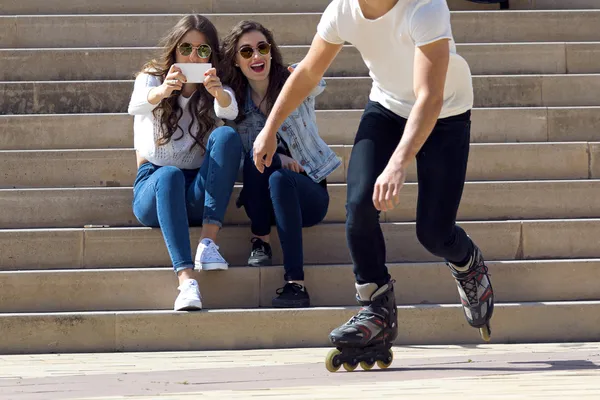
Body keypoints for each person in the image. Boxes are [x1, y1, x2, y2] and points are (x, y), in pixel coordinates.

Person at [251, 0, 495, 368]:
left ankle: (468, 263)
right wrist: (270, 128)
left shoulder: (425, 8)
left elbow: (429, 96)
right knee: (359, 204)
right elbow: (307, 74)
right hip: (387, 107)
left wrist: (398, 163)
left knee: (434, 233)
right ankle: (376, 308)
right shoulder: (342, 11)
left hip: (445, 111)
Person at [220, 20, 341, 308]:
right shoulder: (235, 108)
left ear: (271, 52)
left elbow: (317, 80)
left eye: (262, 48)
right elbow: (237, 165)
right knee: (261, 161)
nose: (256, 56)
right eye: (246, 52)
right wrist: (276, 158)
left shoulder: (292, 82)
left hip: (307, 195)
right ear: (236, 61)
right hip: (262, 198)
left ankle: (295, 284)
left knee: (279, 179)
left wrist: (301, 74)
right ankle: (260, 238)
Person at [127, 14, 242, 311]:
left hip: (196, 191)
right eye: (186, 48)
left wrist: (218, 93)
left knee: (227, 137)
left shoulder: (215, 84)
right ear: (175, 49)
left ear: (211, 56)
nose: (193, 55)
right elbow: (134, 105)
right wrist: (165, 90)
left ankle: (207, 243)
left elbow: (229, 110)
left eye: (203, 50)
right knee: (168, 176)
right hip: (154, 188)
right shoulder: (152, 76)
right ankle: (187, 280)